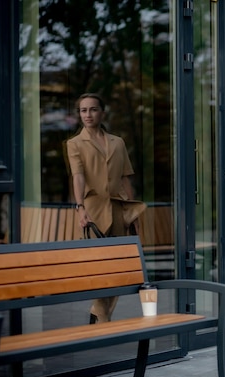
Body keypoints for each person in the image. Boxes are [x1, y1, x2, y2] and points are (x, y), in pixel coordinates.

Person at [66, 93, 146, 324]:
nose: (88, 115)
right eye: (83, 110)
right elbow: (78, 177)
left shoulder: (117, 142)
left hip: (119, 209)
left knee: (120, 268)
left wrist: (134, 212)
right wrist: (80, 208)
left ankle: (99, 313)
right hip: (92, 212)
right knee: (101, 268)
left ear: (102, 112)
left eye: (92, 109)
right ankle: (103, 319)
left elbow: (125, 179)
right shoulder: (75, 144)